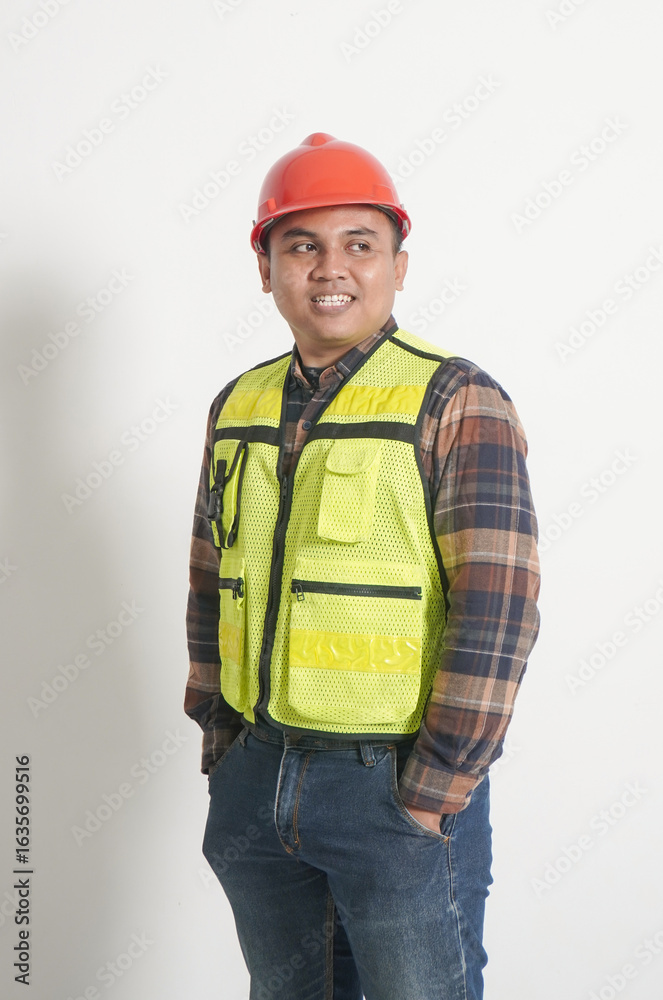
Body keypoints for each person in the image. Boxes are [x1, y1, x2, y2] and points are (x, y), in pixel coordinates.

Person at [185, 132, 540, 1000]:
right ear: (265, 267)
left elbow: (497, 610)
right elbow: (209, 579)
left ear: (398, 266)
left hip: (392, 786)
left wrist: (430, 793)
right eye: (301, 245)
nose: (330, 268)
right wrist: (222, 740)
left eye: (359, 244)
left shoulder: (456, 399)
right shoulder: (237, 404)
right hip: (256, 777)